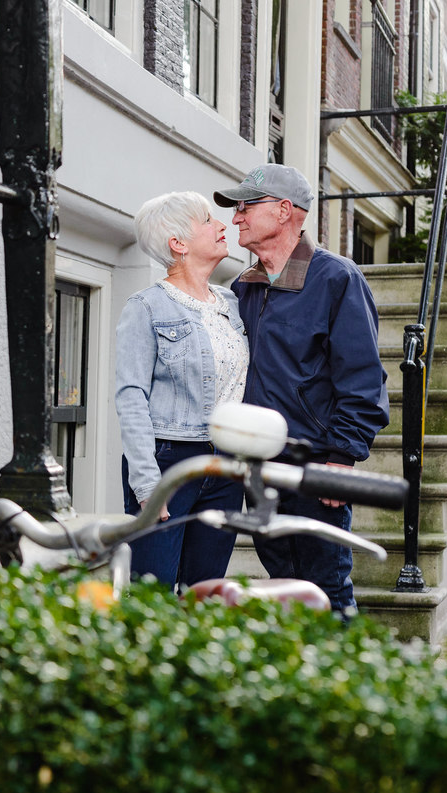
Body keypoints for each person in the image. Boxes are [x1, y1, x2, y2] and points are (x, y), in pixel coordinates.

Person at [213, 164, 389, 613]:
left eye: (246, 206)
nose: (236, 217)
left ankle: (344, 680)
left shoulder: (336, 278)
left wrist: (342, 456)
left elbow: (363, 376)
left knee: (326, 591)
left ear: (285, 210)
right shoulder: (244, 287)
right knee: (285, 588)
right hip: (258, 466)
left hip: (314, 466)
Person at [115, 190, 249, 590]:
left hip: (226, 466)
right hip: (168, 462)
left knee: (204, 593)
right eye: (208, 220)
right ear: (179, 244)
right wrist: (145, 482)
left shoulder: (230, 303)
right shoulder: (146, 308)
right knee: (151, 595)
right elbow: (130, 396)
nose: (222, 225)